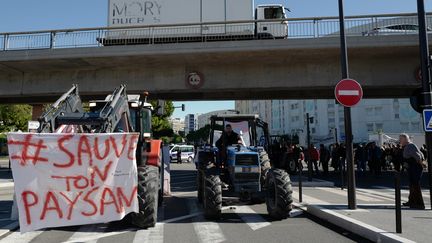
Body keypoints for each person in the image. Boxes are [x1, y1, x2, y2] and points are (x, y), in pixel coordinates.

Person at [399, 133, 425, 209]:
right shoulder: (405, 146)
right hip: (411, 167)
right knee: (412, 184)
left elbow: (418, 156)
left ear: (405, 139)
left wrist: (422, 164)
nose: (399, 140)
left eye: (401, 139)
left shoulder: (410, 145)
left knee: (415, 184)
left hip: (415, 167)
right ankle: (411, 201)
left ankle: (419, 203)